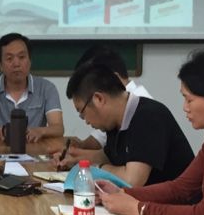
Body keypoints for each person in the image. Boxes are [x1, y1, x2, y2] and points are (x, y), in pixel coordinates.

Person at [97, 48, 204, 215]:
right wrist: (123, 192)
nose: (185, 107)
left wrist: (139, 209)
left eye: (189, 100)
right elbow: (181, 188)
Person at [64, 62, 193, 187]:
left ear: (99, 99)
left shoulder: (147, 116)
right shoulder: (114, 122)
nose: (86, 121)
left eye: (82, 113)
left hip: (179, 200)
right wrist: (76, 159)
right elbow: (109, 156)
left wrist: (97, 168)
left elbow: (132, 180)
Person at [0, 33, 65, 143]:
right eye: (9, 58)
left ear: (30, 61)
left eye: (22, 57)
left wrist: (40, 131)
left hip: (35, 150)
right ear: (0, 65)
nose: (16, 64)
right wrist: (5, 132)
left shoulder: (47, 88)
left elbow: (58, 128)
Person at [62, 44, 151, 163]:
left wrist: (94, 165)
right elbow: (107, 153)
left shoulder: (140, 110)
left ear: (112, 77)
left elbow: (132, 173)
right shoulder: (114, 114)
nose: (86, 121)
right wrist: (75, 155)